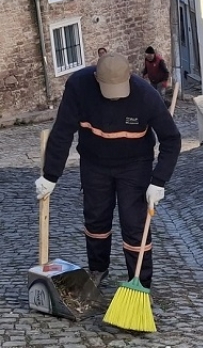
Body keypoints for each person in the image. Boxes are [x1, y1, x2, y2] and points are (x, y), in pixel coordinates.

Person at [34, 52, 181, 289]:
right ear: (96, 79)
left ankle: (140, 283)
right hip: (94, 163)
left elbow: (171, 139)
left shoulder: (146, 96)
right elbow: (62, 132)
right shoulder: (79, 88)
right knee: (96, 218)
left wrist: (158, 181)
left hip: (135, 165)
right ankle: (98, 270)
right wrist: (50, 176)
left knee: (134, 225)